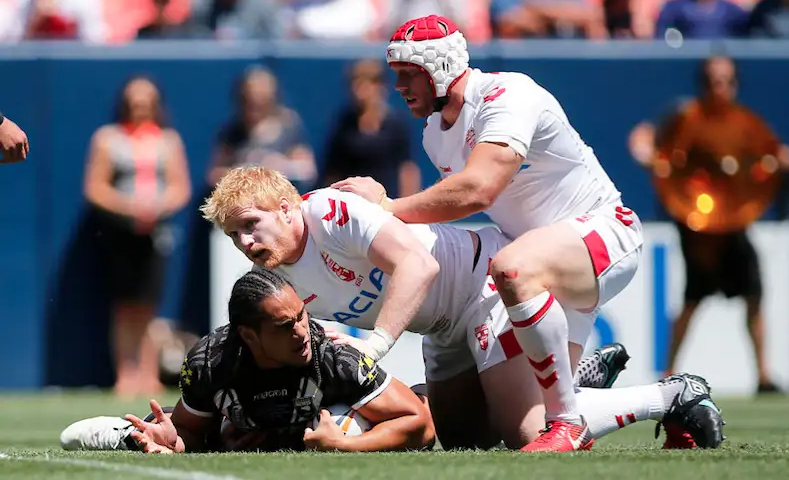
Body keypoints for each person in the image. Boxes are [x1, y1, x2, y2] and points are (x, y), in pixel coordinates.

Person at [329, 15, 722, 452]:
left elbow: (478, 190)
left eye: (408, 75)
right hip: (543, 263)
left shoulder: (508, 93)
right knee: (491, 435)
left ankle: (569, 416)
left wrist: (384, 208)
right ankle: (669, 396)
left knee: (511, 268)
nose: (399, 86)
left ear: (439, 68)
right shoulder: (433, 134)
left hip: (605, 233)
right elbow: (460, 199)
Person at [200, 166, 725, 451]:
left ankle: (673, 394)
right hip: (442, 327)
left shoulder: (332, 212)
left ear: (289, 207)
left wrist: (374, 346)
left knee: (529, 436)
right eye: (233, 234)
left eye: (252, 224)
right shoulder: (270, 279)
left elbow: (418, 268)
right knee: (461, 441)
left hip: (482, 289)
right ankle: (572, 377)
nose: (245, 241)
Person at [113, 269, 434, 453]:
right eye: (284, 326)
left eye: (301, 316)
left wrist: (345, 444)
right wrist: (174, 443)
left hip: (364, 413)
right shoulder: (210, 362)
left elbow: (420, 424)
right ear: (249, 336)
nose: (302, 332)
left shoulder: (333, 356)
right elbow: (187, 431)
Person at [628, 56, 785, 393]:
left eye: (727, 81)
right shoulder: (687, 120)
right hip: (697, 226)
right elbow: (658, 151)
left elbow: (763, 161)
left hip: (733, 223)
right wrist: (645, 151)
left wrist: (778, 161)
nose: (721, 88)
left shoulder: (744, 126)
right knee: (692, 297)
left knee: (754, 293)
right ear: (703, 84)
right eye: (715, 81)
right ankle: (668, 371)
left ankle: (763, 375)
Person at [83, 75, 192, 398]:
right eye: (134, 102)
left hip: (155, 234)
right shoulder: (108, 138)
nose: (140, 108)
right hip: (120, 232)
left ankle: (148, 373)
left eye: (146, 102)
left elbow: (179, 187)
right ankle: (125, 374)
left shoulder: (168, 140)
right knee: (124, 306)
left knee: (148, 305)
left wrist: (156, 208)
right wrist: (129, 208)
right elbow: (95, 187)